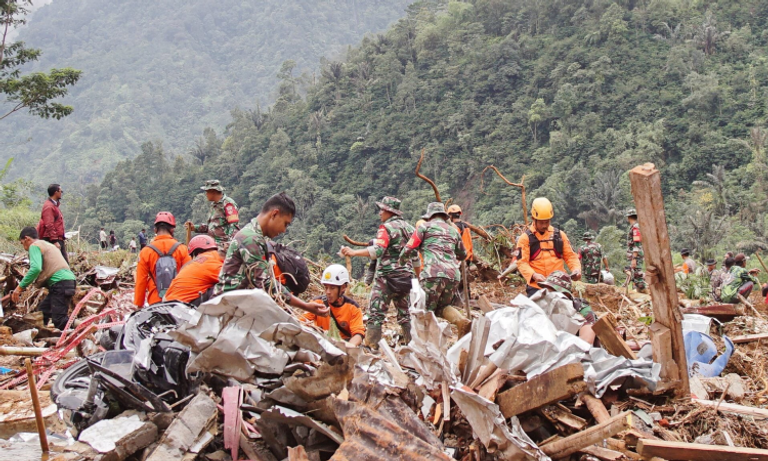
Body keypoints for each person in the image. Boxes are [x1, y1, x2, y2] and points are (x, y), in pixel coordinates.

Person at [215, 192, 328, 317]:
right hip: (227, 311)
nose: (284, 230)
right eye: (285, 224)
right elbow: (266, 284)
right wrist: (305, 306)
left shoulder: (253, 235)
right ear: (274, 214)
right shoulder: (251, 239)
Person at [340, 196, 419, 347]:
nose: (380, 213)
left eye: (382, 210)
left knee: (376, 314)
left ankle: (372, 346)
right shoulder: (410, 229)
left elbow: (378, 250)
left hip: (386, 279)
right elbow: (415, 256)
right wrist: (418, 277)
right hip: (406, 279)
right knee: (406, 315)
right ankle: (413, 346)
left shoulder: (385, 228)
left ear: (389, 211)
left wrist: (354, 252)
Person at [400, 202, 469, 334]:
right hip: (453, 275)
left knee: (423, 309)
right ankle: (461, 320)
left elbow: (408, 248)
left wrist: (401, 261)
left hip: (432, 274)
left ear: (429, 216)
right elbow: (462, 254)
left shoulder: (423, 227)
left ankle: (425, 340)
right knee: (442, 307)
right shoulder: (454, 231)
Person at [11, 227, 76, 330]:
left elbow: (35, 269)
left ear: (27, 239)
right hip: (67, 281)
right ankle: (40, 334)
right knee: (42, 313)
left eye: (22, 243)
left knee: (59, 320)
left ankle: (83, 328)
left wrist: (19, 288)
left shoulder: (34, 246)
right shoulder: (48, 245)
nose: (24, 247)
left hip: (60, 283)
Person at [517, 197, 581, 297]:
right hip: (536, 287)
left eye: (547, 222)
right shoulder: (525, 239)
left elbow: (570, 256)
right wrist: (534, 275)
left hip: (559, 286)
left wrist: (576, 269)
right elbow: (521, 262)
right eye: (541, 222)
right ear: (534, 219)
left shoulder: (559, 235)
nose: (544, 225)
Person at [134, 212, 191, 307]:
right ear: (172, 230)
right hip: (178, 303)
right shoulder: (182, 249)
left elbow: (141, 282)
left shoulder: (146, 252)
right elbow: (189, 278)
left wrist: (138, 305)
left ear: (155, 230)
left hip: (155, 303)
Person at [304, 264, 365, 347]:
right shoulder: (317, 303)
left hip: (343, 345)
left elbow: (358, 333)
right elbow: (302, 321)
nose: (328, 292)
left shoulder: (353, 308)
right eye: (326, 287)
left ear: (343, 287)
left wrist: (349, 347)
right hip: (321, 344)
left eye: (332, 288)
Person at [539, 271, 596, 345]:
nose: (548, 296)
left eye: (552, 293)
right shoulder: (543, 306)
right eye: (545, 292)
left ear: (566, 295)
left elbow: (587, 341)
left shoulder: (580, 309)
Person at [164, 235, 223, 306]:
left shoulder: (194, 263)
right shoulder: (211, 260)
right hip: (183, 306)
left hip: (170, 302)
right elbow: (230, 278)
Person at [186, 180, 240, 252]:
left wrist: (229, 245)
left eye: (207, 192)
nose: (206, 194)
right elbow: (211, 227)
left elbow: (234, 227)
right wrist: (195, 228)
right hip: (213, 246)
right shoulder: (214, 205)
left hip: (224, 247)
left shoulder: (228, 204)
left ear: (213, 192)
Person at [37, 183, 68, 263]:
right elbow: (49, 224)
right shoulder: (49, 206)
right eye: (60, 191)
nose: (61, 193)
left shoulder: (54, 205)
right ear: (56, 192)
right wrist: (55, 241)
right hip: (51, 239)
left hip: (56, 238)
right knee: (62, 263)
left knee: (60, 263)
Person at [625, 208, 647, 292]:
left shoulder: (635, 228)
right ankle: (641, 291)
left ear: (628, 217)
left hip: (636, 255)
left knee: (638, 276)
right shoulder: (635, 227)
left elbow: (636, 243)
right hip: (635, 255)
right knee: (635, 275)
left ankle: (643, 292)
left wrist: (634, 258)